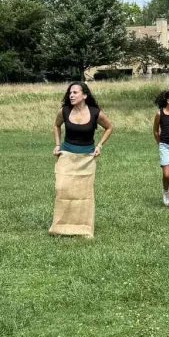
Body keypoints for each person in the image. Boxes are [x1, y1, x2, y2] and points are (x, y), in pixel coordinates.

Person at [50, 82, 113, 237]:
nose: (71, 95)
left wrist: (100, 145)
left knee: (84, 195)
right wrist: (57, 144)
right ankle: (61, 227)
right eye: (70, 92)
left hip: (87, 159)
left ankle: (83, 229)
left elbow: (109, 127)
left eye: (75, 92)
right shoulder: (64, 111)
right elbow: (56, 126)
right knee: (62, 189)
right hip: (66, 156)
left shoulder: (95, 112)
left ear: (84, 95)